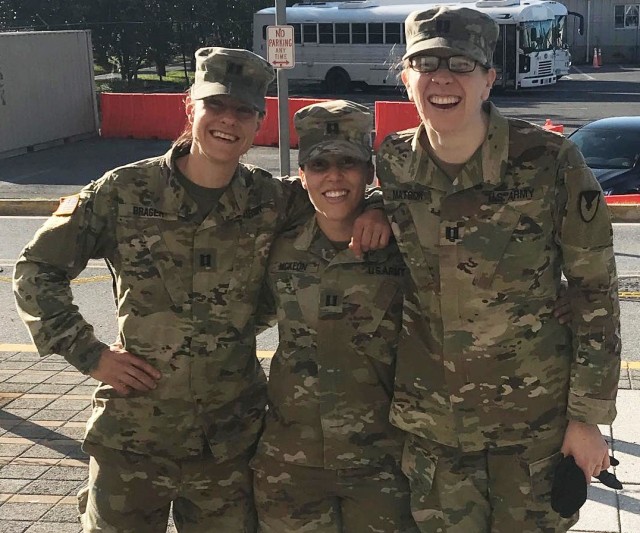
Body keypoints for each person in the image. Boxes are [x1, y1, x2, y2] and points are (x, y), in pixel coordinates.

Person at [13, 47, 387, 533]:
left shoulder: (271, 199)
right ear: (191, 106)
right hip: (134, 435)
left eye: (244, 111)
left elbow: (339, 189)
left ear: (259, 123)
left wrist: (376, 205)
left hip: (227, 441)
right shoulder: (125, 190)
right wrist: (89, 354)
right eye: (216, 105)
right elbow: (36, 269)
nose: (228, 121)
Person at [375, 6, 621, 533]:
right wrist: (372, 208)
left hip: (532, 427)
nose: (442, 78)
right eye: (426, 64)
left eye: (461, 65)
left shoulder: (551, 162)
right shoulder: (393, 163)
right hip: (433, 428)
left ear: (489, 79)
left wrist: (586, 417)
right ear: (406, 79)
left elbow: (594, 291)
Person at [250, 100, 419, 533]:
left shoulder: (406, 243)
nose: (334, 176)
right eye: (320, 163)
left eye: (348, 162)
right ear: (301, 174)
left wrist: (379, 205)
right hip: (293, 463)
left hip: (382, 463)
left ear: (369, 172)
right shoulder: (277, 241)